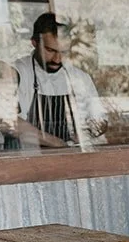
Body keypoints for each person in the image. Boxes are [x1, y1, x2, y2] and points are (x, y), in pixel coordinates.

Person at [11, 13, 105, 149]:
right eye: (50, 50)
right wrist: (55, 142)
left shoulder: (80, 77)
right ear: (34, 43)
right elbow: (11, 122)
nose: (57, 59)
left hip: (70, 158)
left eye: (64, 51)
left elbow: (100, 119)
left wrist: (87, 132)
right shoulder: (19, 72)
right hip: (28, 158)